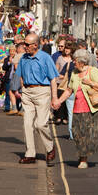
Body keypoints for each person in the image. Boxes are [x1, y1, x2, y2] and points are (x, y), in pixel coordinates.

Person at [17, 33, 60, 165]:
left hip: (42, 91)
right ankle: (30, 154)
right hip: (28, 92)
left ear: (35, 45)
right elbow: (20, 75)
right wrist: (22, 88)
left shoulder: (45, 58)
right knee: (27, 124)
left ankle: (50, 147)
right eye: (24, 44)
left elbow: (53, 78)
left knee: (40, 124)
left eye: (27, 44)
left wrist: (55, 98)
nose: (24, 47)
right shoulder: (23, 58)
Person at [59, 49, 98, 168]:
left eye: (74, 60)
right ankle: (82, 154)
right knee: (76, 133)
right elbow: (69, 90)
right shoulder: (74, 73)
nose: (73, 62)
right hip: (77, 108)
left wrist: (90, 82)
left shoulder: (93, 71)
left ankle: (83, 159)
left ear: (81, 61)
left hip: (91, 109)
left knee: (87, 134)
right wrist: (58, 101)